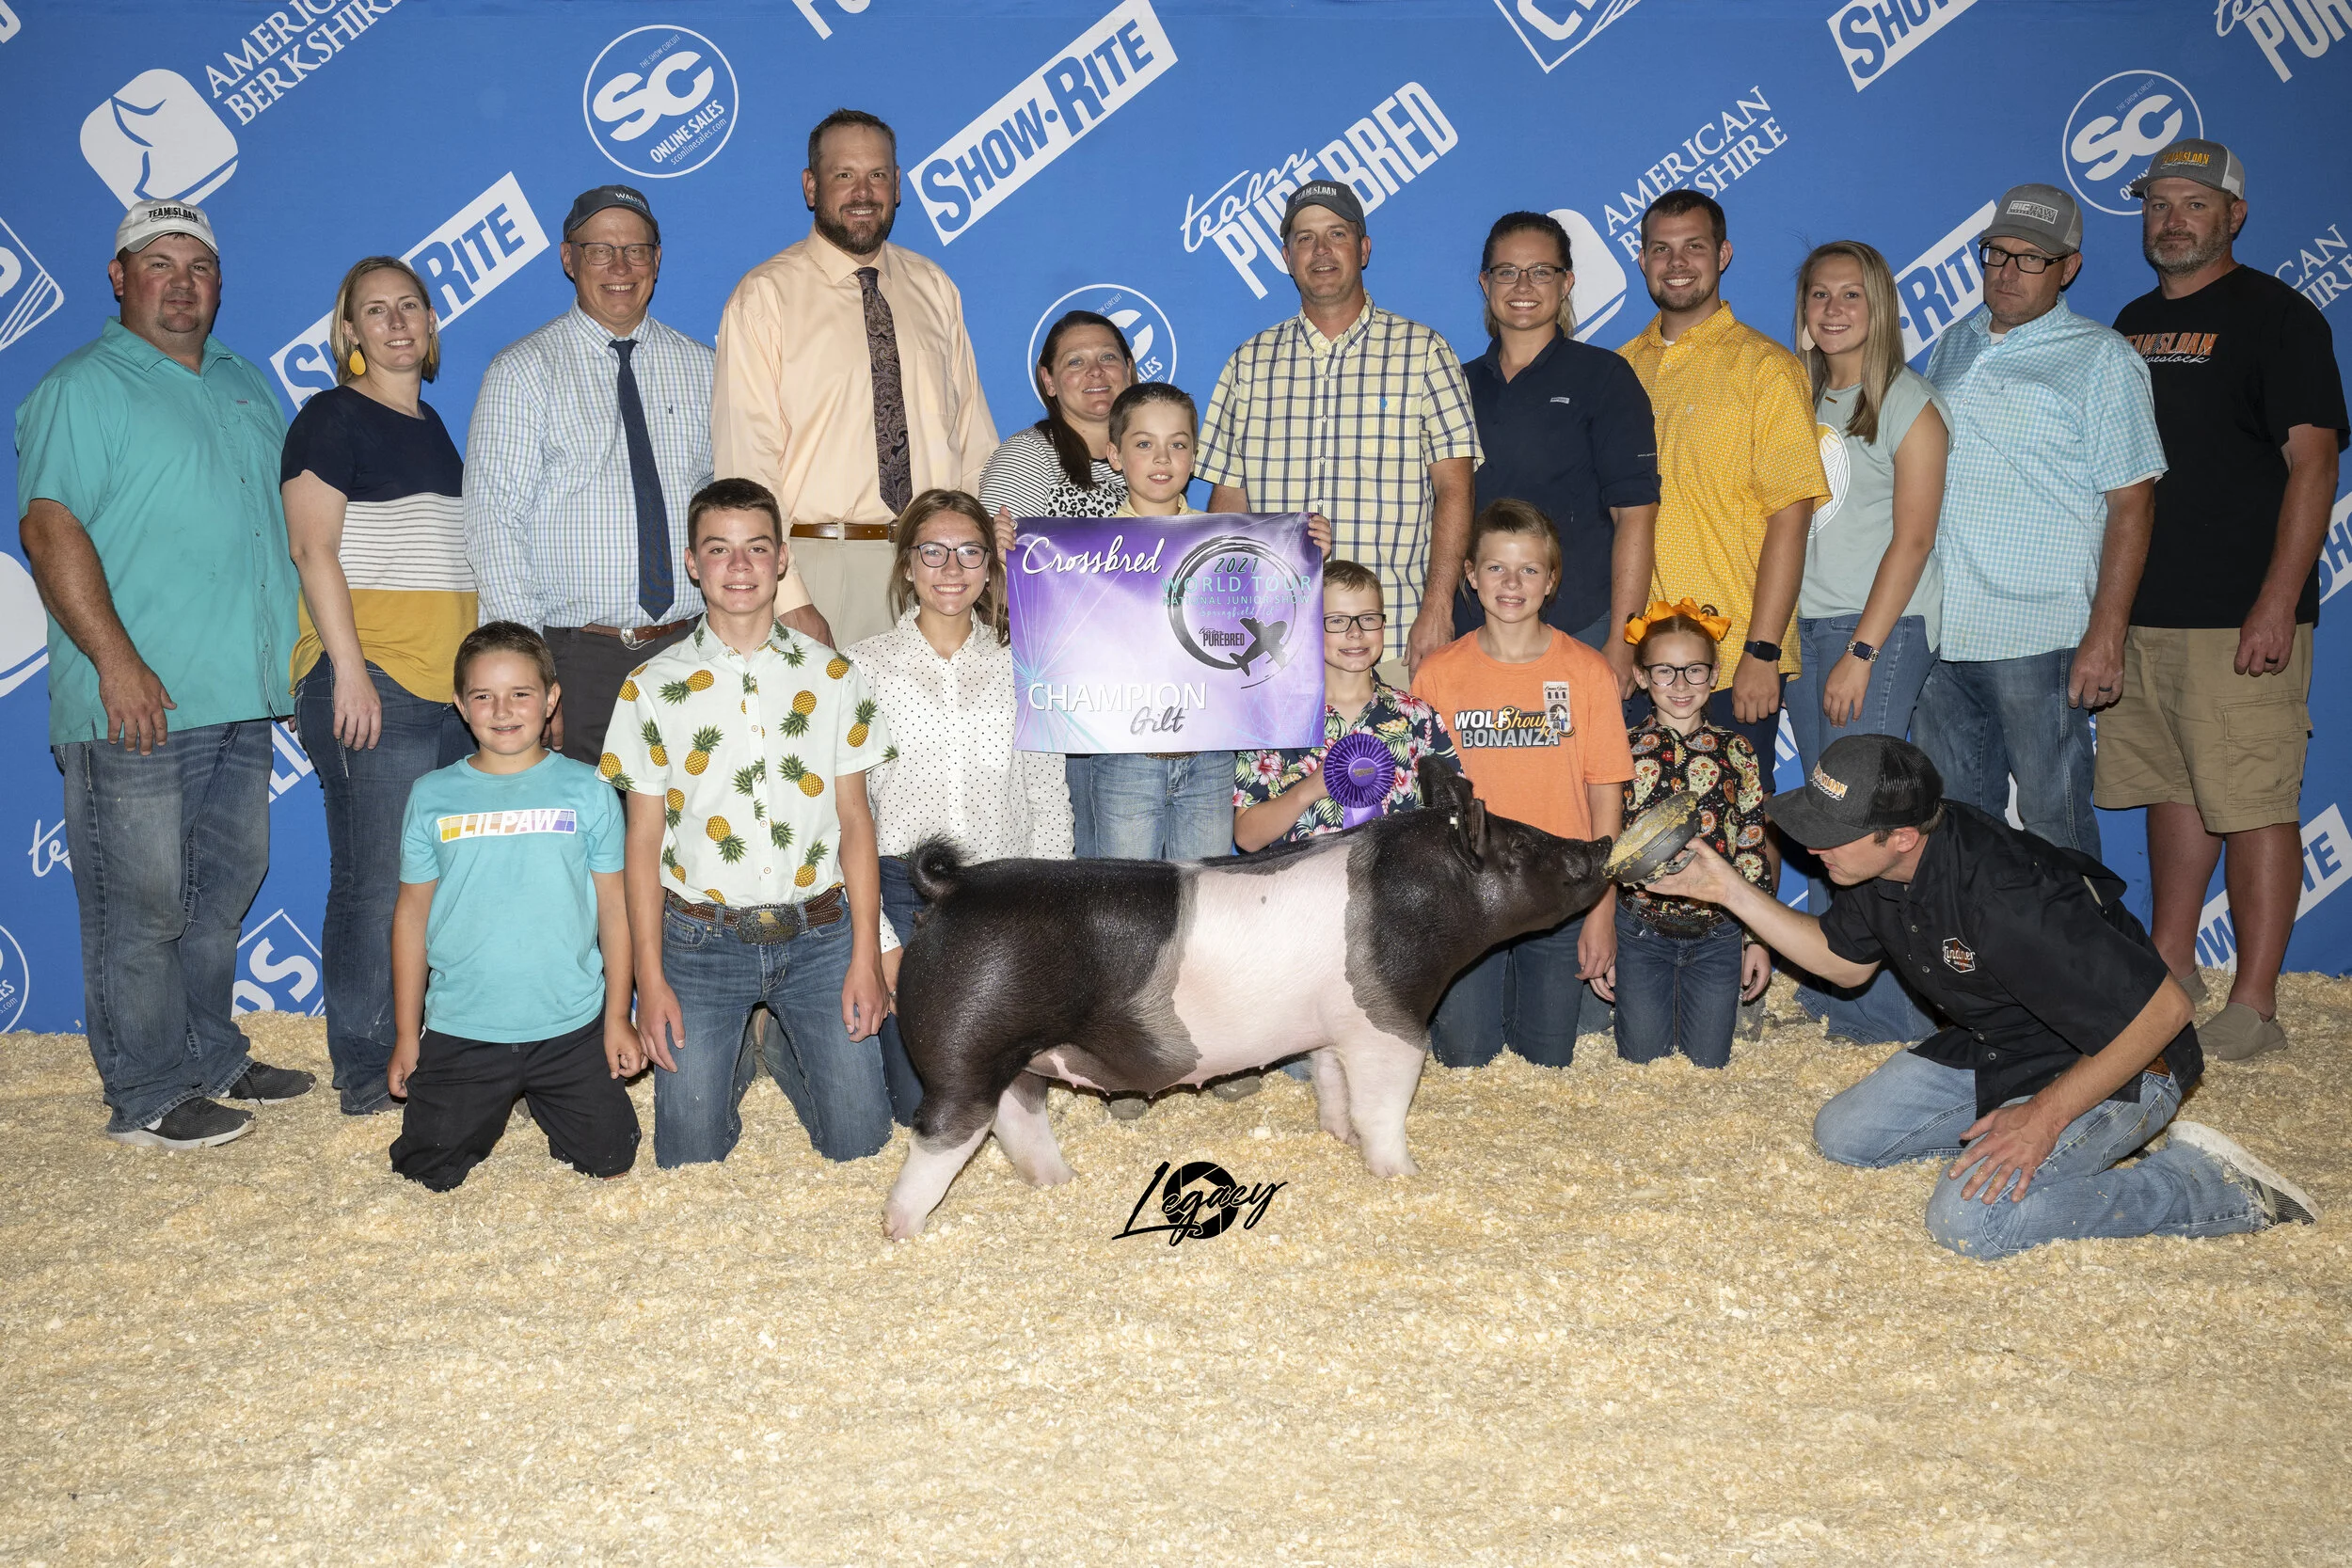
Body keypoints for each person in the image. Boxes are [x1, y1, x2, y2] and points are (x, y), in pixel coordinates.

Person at [1645, 734, 2319, 1259]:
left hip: (2130, 1064)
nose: (1811, 846)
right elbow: (1844, 966)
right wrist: (1728, 889)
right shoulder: (1876, 866)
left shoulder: (2007, 895)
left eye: (1829, 834)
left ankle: (2209, 1186)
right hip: (2010, 1047)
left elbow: (2168, 1011)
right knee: (1845, 1135)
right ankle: (2056, 1152)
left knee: (1971, 1223)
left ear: (1901, 837)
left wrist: (2044, 1118)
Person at [15, 198, 313, 1149]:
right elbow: (48, 528)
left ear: (219, 283)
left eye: (199, 266)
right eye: (158, 263)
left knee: (218, 896)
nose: (182, 283)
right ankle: (145, 1092)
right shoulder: (81, 386)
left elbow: (274, 534)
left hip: (240, 697)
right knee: (139, 906)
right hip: (135, 702)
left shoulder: (242, 379)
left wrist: (291, 664)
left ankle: (209, 1056)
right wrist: (116, 661)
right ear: (118, 277)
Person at [2102, 139, 2348, 1062]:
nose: (2172, 220)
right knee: (2172, 787)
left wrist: (2277, 599)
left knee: (2251, 799)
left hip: (2240, 613)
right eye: (2158, 204)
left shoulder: (2279, 317)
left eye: (2194, 204)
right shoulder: (2130, 322)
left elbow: (2313, 464)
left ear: (2234, 215)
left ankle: (2255, 1004)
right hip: (2145, 610)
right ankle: (2173, 961)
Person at [607, 478, 897, 1167]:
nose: (739, 566)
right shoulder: (649, 687)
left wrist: (865, 956)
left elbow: (856, 821)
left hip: (820, 937)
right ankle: (731, 1054)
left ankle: (786, 1050)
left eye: (757, 548)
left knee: (863, 1147)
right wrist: (651, 979)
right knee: (688, 1160)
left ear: (783, 559)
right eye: (719, 549)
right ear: (691, 562)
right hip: (699, 943)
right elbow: (642, 842)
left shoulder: (835, 677)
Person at [1919, 184, 2167, 857]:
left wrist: (2106, 633)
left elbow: (2133, 502)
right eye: (1997, 253)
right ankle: (1980, 933)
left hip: (2040, 632)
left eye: (2031, 259)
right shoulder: (1953, 343)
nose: (2007, 271)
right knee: (1956, 829)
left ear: (2069, 268)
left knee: (2056, 825)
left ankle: (2086, 932)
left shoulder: (2102, 357)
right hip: (1942, 628)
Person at [285, 255, 478, 1115]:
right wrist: (350, 671)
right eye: (376, 309)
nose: (397, 322)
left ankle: (419, 1046)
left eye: (410, 306)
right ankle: (366, 1072)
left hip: (444, 691)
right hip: (378, 682)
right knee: (375, 882)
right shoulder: (330, 417)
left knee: (428, 883)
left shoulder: (433, 426)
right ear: (349, 332)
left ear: (432, 325)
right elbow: (312, 548)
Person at [714, 108, 999, 651]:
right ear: (811, 186)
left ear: (898, 186)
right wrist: (787, 595)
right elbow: (746, 465)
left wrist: (972, 564)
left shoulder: (935, 289)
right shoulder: (764, 297)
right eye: (844, 175)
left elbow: (974, 446)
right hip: (819, 571)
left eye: (878, 175)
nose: (863, 193)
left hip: (935, 573)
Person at [465, 184, 721, 767]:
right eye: (600, 250)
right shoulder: (523, 371)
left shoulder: (704, 369)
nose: (620, 267)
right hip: (575, 664)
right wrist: (527, 677)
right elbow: (494, 525)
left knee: (695, 825)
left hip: (691, 651)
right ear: (568, 258)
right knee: (582, 826)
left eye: (636, 250)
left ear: (657, 259)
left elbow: (726, 515)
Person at [387, 623, 643, 1190]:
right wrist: (407, 1034)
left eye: (521, 693)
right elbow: (410, 917)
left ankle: (543, 1097)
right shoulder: (430, 795)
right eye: (483, 696)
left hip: (571, 1026)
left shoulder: (591, 789)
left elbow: (614, 911)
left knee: (612, 1159)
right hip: (463, 1026)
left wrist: (617, 1019)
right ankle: (489, 1096)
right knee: (424, 1172)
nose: (502, 710)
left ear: (551, 699)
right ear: (461, 706)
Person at [849, 488, 1075, 1123]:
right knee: (919, 1109)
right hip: (903, 891)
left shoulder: (1023, 663)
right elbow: (850, 813)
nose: (952, 568)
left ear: (989, 564)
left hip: (1001, 890)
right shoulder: (862, 667)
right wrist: (880, 941)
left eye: (970, 551)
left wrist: (1048, 906)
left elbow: (1047, 793)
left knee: (1001, 1100)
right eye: (933, 552)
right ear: (906, 565)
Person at [1198, 180, 1482, 679]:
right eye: (1305, 238)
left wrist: (1438, 607)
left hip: (1394, 641)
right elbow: (1228, 507)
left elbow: (1455, 489)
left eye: (1337, 234)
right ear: (1287, 257)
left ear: (1364, 249)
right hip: (1275, 646)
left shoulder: (1424, 352)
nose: (1321, 250)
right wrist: (1225, 622)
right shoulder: (1248, 363)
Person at [1783, 240, 1951, 1046]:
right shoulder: (1797, 396)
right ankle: (1837, 993)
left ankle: (1897, 1012)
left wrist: (1863, 650)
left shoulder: (1909, 402)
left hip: (1877, 632)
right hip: (1806, 627)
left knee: (1868, 822)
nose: (1835, 309)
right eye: (1820, 294)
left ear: (1879, 307)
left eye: (1852, 294)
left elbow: (1913, 540)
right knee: (1827, 817)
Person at [1414, 499, 1633, 1067]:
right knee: (1466, 1061)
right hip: (1469, 896)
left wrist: (1601, 909)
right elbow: (1425, 805)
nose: (1512, 584)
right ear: (1470, 575)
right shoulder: (1437, 675)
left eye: (1529, 569)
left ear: (1551, 580)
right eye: (1496, 568)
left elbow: (1606, 795)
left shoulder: (1588, 672)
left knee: (1546, 1062)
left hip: (1560, 891)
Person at [1617, 190, 1827, 764]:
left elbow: (1791, 518)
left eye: (1694, 247)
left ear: (1723, 254)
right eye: (1661, 249)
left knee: (1739, 814)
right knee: (1634, 817)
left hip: (1734, 664)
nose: (1676, 263)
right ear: (1642, 259)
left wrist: (1762, 650)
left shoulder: (1767, 369)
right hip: (1640, 665)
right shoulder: (1619, 369)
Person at [1455, 211, 1661, 695]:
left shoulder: (1605, 378)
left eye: (1541, 271)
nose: (1523, 285)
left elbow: (1635, 515)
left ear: (1566, 282)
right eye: (1507, 271)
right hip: (1474, 634)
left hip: (1581, 629)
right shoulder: (1457, 385)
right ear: (1485, 283)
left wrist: (1623, 640)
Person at [977, 310, 1136, 858]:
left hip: (1138, 686)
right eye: (1075, 362)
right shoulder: (1026, 457)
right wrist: (997, 555)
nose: (1096, 372)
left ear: (1131, 369)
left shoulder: (1153, 454)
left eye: (1108, 358)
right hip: (1057, 689)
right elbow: (990, 579)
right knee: (1074, 850)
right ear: (1047, 380)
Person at [1602, 601, 1771, 1069]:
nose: (1680, 685)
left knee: (1708, 1066)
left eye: (1694, 670)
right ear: (1641, 677)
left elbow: (1752, 846)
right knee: (1643, 1064)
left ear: (1714, 675)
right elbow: (1603, 847)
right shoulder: (1620, 749)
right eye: (1664, 672)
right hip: (1639, 930)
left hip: (1718, 934)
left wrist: (1756, 940)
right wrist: (1603, 932)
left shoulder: (1737, 751)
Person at [1233, 557, 1461, 852]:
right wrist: (1309, 790)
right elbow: (1247, 838)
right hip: (1304, 880)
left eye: (1368, 618)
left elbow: (1455, 816)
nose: (1355, 632)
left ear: (1383, 624)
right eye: (1337, 621)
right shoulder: (1273, 719)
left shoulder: (1418, 717)